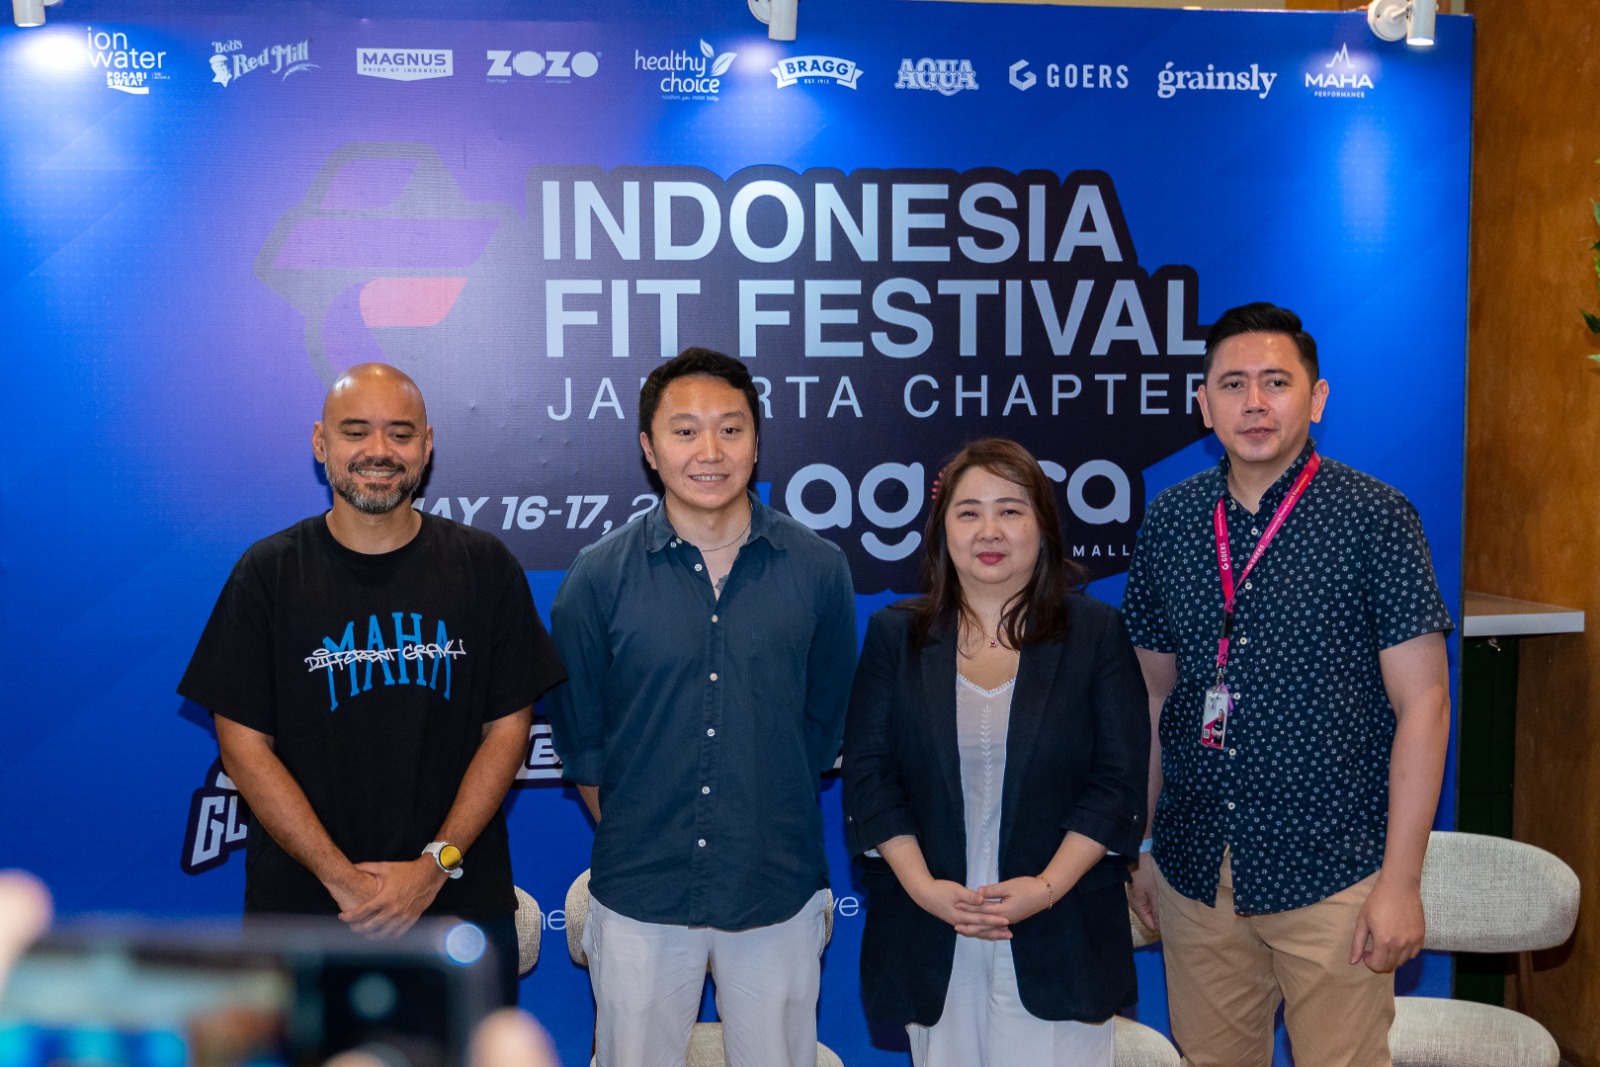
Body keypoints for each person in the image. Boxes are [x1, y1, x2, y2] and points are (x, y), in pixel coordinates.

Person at [1120, 303, 1453, 1067]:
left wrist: (1401, 882)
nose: (1255, 402)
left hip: (1334, 871)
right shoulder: (1171, 522)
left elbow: (1426, 704)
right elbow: (1152, 700)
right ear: (1203, 404)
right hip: (1196, 870)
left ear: (1318, 397)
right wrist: (1141, 843)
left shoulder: (1375, 518)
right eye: (1232, 384)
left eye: (1276, 382)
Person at [178, 362, 566, 1006]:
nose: (379, 450)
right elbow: (243, 745)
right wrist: (342, 880)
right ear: (320, 442)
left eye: (400, 433)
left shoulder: (484, 566)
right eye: (355, 431)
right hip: (304, 911)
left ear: (427, 446)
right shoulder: (268, 574)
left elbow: (507, 730)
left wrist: (432, 868)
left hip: (458, 902)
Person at [544, 347, 857, 1067]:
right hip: (641, 890)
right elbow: (584, 743)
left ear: (757, 442)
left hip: (776, 886)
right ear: (649, 448)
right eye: (685, 431)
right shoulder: (597, 577)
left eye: (730, 429)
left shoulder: (819, 569)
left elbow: (823, 728)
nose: (709, 451)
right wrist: (651, 828)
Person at [843, 438, 1149, 1067]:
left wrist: (1045, 888)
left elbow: (1117, 782)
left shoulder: (1095, 634)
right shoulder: (894, 635)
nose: (990, 531)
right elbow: (870, 777)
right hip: (933, 925)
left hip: (1060, 925)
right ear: (942, 530)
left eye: (1010, 510)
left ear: (1043, 527)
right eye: (969, 512)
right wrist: (926, 889)